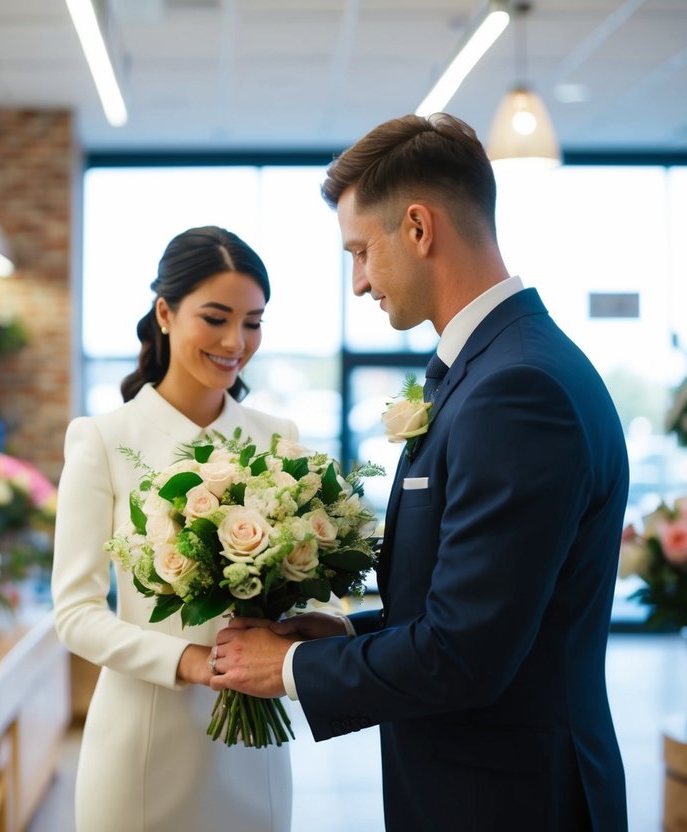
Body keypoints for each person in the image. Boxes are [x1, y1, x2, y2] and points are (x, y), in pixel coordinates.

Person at [208, 113, 630, 831]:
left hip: (511, 798)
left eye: (360, 252)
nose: (358, 282)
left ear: (417, 228)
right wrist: (347, 638)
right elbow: (481, 611)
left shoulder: (515, 389)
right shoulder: (495, 366)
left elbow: (464, 654)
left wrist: (281, 671)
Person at [52, 226, 297, 832]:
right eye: (215, 318)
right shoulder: (104, 440)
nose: (235, 341)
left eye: (253, 322)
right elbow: (76, 614)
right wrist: (187, 661)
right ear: (165, 312)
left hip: (255, 751)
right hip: (143, 742)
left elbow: (308, 586)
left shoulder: (279, 439)